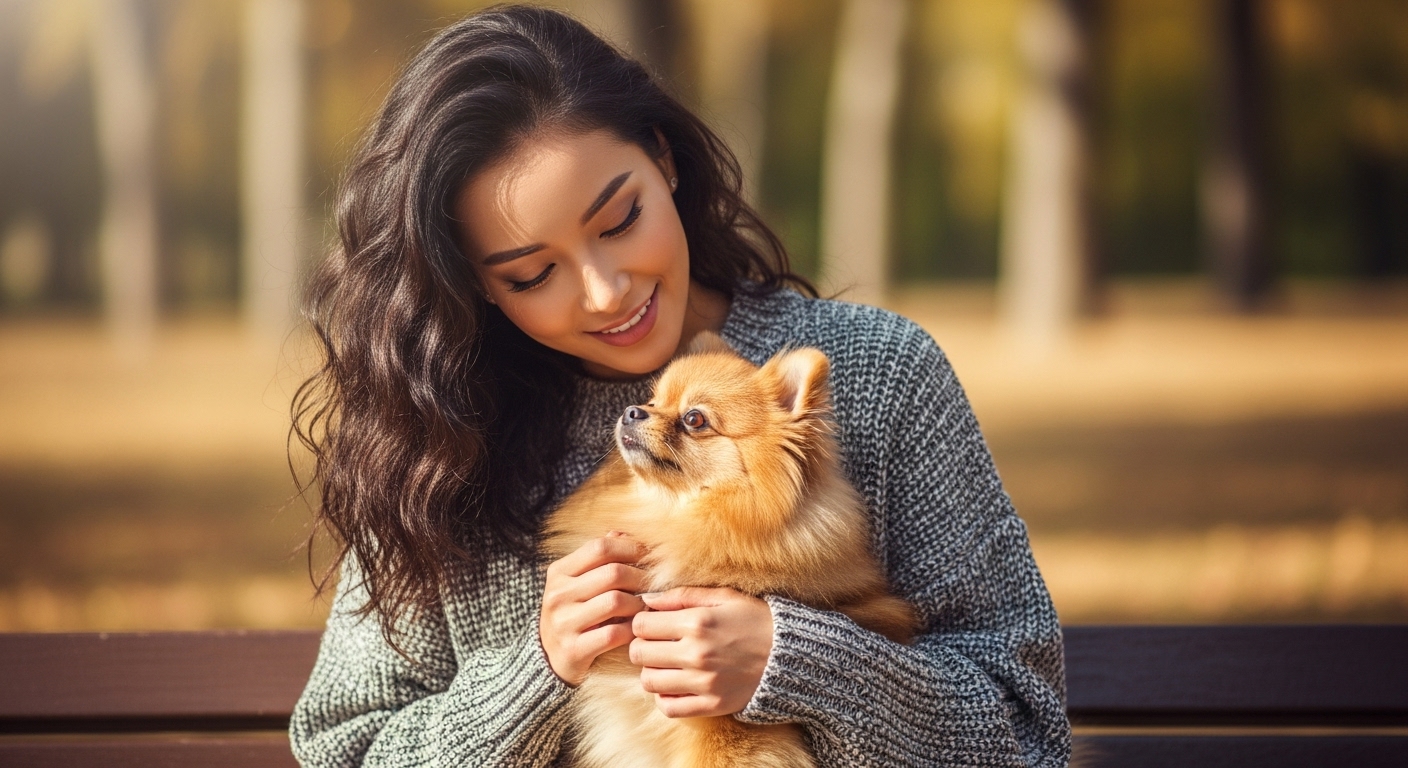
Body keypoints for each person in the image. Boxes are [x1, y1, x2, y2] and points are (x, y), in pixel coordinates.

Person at [288, 5, 1070, 767]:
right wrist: (535, 671)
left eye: (620, 220)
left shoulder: (879, 374)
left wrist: (801, 664)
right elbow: (344, 749)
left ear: (663, 157)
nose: (605, 292)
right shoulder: (440, 436)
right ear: (478, 284)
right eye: (534, 273)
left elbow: (1024, 732)